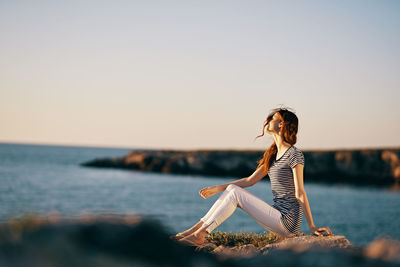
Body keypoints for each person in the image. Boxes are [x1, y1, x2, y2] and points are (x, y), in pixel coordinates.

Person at [171, 106, 332, 246]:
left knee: (234, 191)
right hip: (276, 214)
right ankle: (194, 231)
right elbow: (250, 180)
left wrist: (312, 226)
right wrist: (217, 189)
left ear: (282, 124)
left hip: (287, 222)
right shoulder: (273, 153)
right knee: (232, 190)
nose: (267, 121)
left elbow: (300, 193)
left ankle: (201, 235)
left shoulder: (294, 154)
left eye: (272, 118)